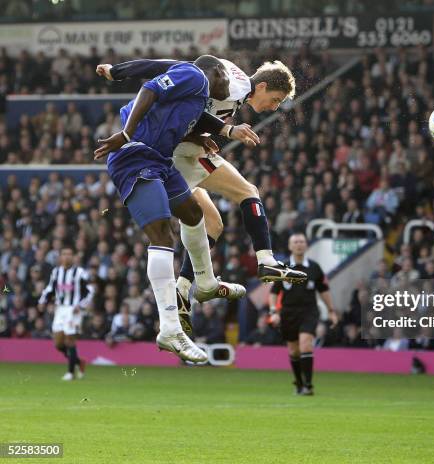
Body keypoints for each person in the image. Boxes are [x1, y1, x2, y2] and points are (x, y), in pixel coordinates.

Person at [96, 57, 308, 296]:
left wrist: (118, 71)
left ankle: (184, 289)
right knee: (245, 193)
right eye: (275, 99)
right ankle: (264, 260)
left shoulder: (230, 75)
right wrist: (226, 129)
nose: (274, 107)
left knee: (213, 224)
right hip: (178, 154)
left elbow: (167, 66)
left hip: (180, 149)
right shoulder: (230, 86)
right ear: (261, 87)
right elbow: (188, 95)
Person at [94, 57, 245, 363]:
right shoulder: (194, 75)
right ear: (215, 71)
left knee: (192, 213)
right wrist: (126, 133)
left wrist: (221, 132)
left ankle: (206, 282)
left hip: (161, 160)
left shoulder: (196, 92)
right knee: (162, 234)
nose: (228, 87)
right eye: (226, 79)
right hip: (135, 154)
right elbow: (150, 89)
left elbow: (154, 72)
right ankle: (170, 329)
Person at [268, 233, 339, 395]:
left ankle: (308, 385)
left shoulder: (314, 267)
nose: (299, 244)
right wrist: (273, 311)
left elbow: (324, 290)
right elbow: (273, 292)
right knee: (293, 351)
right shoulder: (283, 267)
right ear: (290, 246)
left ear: (306, 245)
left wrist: (331, 311)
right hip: (288, 313)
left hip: (309, 311)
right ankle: (299, 383)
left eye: (302, 242)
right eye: (296, 242)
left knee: (306, 344)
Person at [39, 246, 94, 381]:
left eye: (69, 254)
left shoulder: (80, 272)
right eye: (64, 254)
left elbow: (90, 290)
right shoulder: (56, 272)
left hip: (73, 309)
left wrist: (80, 305)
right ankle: (78, 361)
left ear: (73, 257)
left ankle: (70, 373)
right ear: (60, 257)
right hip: (60, 309)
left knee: (70, 340)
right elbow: (50, 288)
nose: (67, 257)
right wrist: (42, 301)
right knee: (58, 344)